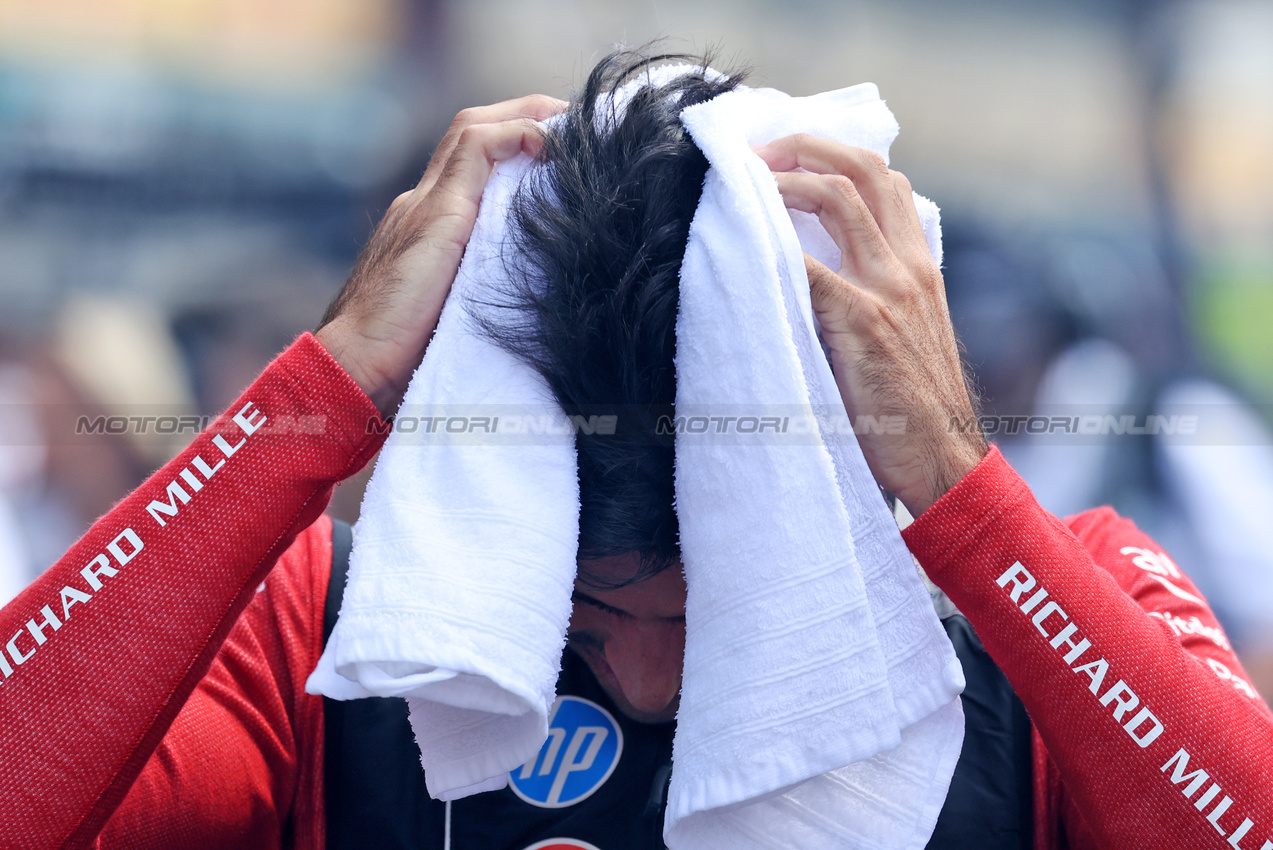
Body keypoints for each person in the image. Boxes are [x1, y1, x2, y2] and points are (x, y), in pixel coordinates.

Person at [0, 53, 1270, 850]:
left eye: (715, 605)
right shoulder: (333, 639)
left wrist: (959, 489)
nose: (651, 679)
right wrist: (317, 396)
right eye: (588, 611)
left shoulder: (1043, 623)